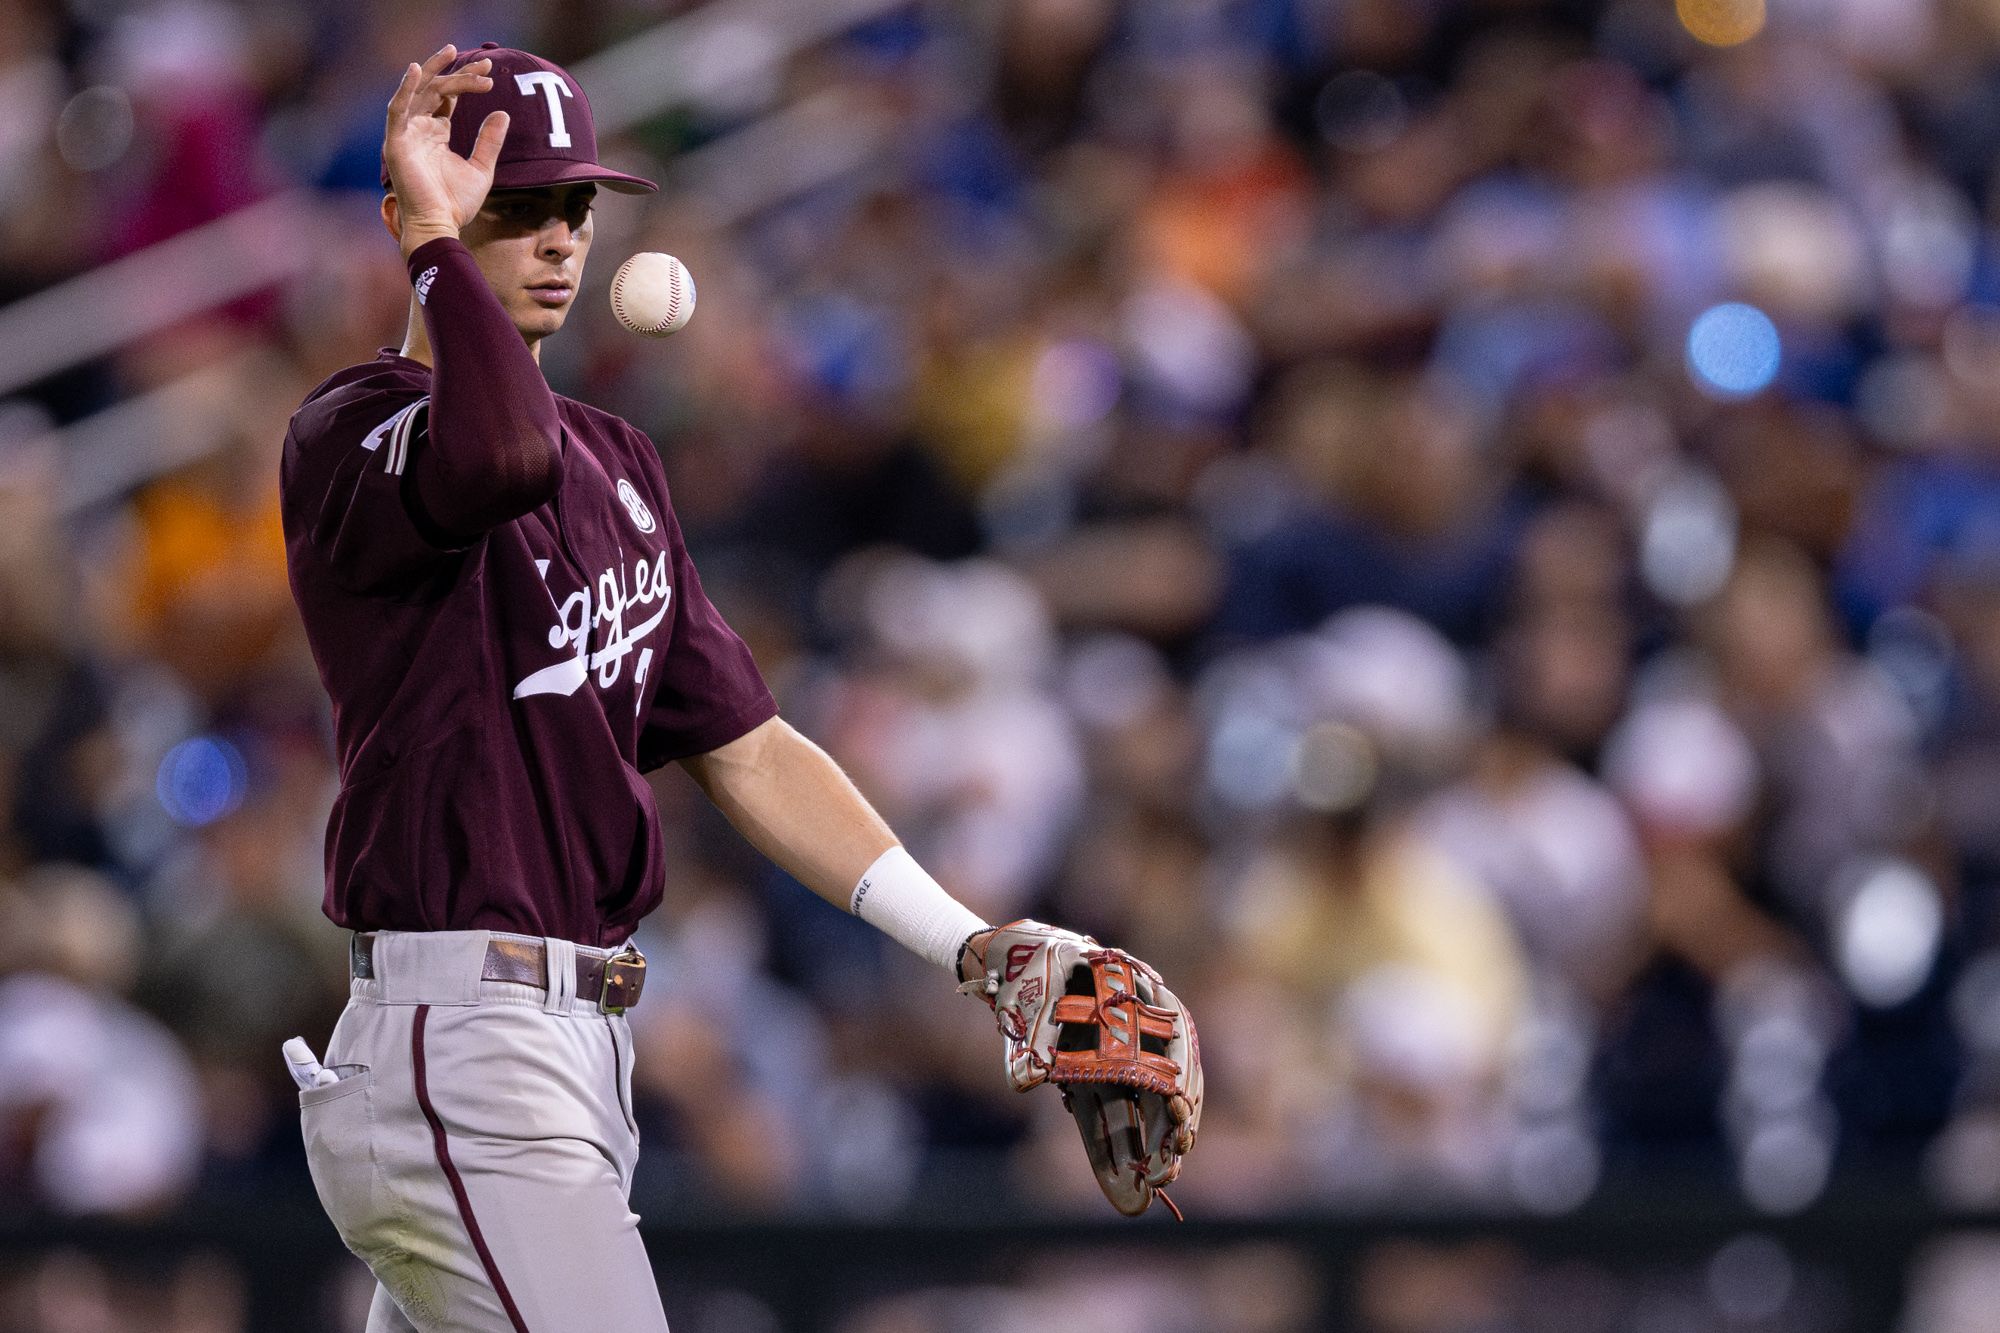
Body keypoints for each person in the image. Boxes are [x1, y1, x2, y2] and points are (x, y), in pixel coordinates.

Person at [279, 45, 1006, 1333]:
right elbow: (494, 450)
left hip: (573, 1050)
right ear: (413, 217)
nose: (558, 241)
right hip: (464, 1044)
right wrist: (441, 245)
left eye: (574, 209)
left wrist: (967, 941)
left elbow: (750, 747)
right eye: (514, 209)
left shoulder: (616, 461)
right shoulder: (351, 432)